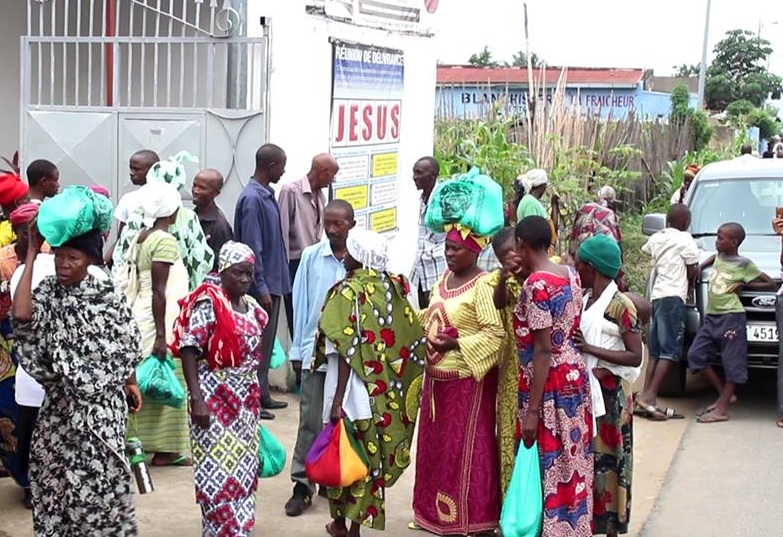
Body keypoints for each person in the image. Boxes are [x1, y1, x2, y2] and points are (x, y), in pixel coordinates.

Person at [12, 202, 143, 535]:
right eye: (60, 256)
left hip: (100, 412)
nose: (64, 264)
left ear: (91, 260)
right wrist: (30, 256)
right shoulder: (48, 292)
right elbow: (23, 316)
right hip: (59, 410)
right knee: (54, 486)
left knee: (102, 488)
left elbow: (125, 343)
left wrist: (131, 382)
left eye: (74, 257)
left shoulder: (106, 296)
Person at [316, 228, 424, 537]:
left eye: (349, 251)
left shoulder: (346, 293)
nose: (344, 256)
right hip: (382, 395)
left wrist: (337, 401)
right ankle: (352, 525)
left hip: (349, 392)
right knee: (369, 461)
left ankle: (343, 525)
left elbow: (344, 351)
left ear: (358, 257)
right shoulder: (395, 287)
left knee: (343, 456)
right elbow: (410, 337)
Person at [412, 223, 505, 536]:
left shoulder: (483, 285)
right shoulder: (443, 278)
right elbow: (433, 314)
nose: (448, 253)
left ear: (475, 250)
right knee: (435, 450)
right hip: (436, 381)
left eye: (456, 249)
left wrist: (456, 344)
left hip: (466, 382)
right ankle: (432, 515)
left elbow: (495, 335)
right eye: (447, 247)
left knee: (464, 450)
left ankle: (470, 519)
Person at [171, 241, 268, 537]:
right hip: (213, 401)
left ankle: (239, 528)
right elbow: (189, 348)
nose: (244, 280)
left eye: (249, 274)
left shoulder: (251, 307)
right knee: (217, 472)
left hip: (244, 405)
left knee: (243, 470)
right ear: (223, 270)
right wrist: (196, 399)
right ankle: (222, 530)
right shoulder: (209, 303)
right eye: (238, 273)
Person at [514, 215, 593, 537]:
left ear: (520, 245)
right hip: (575, 374)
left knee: (549, 461)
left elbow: (543, 349)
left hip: (549, 384)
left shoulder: (537, 285)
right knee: (571, 459)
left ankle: (552, 530)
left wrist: (532, 411)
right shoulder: (571, 274)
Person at [285, 199, 354, 517]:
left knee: (342, 419)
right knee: (310, 420)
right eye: (327, 222)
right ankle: (302, 484)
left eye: (338, 223)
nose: (331, 229)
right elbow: (300, 306)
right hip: (315, 354)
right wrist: (297, 352)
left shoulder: (360, 260)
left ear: (351, 225)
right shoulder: (313, 258)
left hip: (349, 358)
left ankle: (334, 477)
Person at [573, 234, 643, 537]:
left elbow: (634, 355)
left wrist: (591, 350)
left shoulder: (620, 305)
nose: (577, 272)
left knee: (612, 459)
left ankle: (612, 526)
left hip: (612, 397)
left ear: (592, 267)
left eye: (579, 266)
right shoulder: (587, 299)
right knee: (591, 457)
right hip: (590, 392)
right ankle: (593, 521)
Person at [126, 181, 191, 466]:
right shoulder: (164, 240)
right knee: (167, 380)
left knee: (147, 381)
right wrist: (162, 336)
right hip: (159, 319)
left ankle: (139, 444)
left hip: (144, 314)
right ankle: (166, 449)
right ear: (172, 210)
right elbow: (158, 289)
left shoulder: (142, 235)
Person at [688, 223, 775, 423]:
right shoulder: (719, 256)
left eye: (721, 238)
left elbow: (769, 282)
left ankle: (722, 409)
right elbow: (712, 258)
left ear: (734, 242)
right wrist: (701, 267)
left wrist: (743, 284)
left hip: (731, 317)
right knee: (696, 355)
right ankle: (724, 395)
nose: (717, 241)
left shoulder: (743, 264)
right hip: (712, 317)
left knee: (732, 364)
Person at [234, 143, 290, 419]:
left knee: (266, 346)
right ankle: (254, 399)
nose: (283, 171)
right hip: (262, 287)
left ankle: (264, 394)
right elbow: (252, 247)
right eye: (281, 166)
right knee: (257, 345)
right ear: (271, 166)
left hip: (275, 282)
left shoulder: (266, 195)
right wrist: (261, 286)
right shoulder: (252, 199)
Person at [112, 152, 213, 290]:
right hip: (179, 293)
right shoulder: (188, 218)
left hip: (140, 293)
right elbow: (200, 260)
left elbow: (121, 255)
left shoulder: (138, 214)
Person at [636, 204, 699, 420]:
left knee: (655, 351)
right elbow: (692, 269)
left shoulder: (657, 238)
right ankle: (650, 397)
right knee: (671, 352)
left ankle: (646, 395)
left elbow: (647, 249)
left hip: (658, 296)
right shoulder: (685, 239)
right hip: (674, 297)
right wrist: (693, 274)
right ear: (685, 223)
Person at [0, 203, 42, 507]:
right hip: (5, 346)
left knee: (35, 417)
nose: (33, 237)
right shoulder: (3, 261)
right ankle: (21, 476)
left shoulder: (55, 260)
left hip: (36, 350)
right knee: (10, 413)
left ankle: (32, 482)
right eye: (26, 231)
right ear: (15, 232)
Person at [484, 227, 528, 497]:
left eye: (514, 251)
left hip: (544, 371)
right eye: (504, 257)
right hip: (513, 370)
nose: (511, 259)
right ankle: (510, 507)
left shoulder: (547, 272)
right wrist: (503, 278)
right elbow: (499, 303)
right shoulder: (504, 282)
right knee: (509, 438)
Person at [279, 153, 339, 338]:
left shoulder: (320, 196)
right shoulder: (290, 191)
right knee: (296, 316)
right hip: (294, 263)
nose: (333, 180)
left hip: (313, 264)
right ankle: (298, 359)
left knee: (313, 314)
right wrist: (284, 274)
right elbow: (282, 233)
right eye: (332, 175)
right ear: (322, 172)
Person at [410, 156, 446, 308]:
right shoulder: (424, 197)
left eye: (419, 173)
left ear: (432, 176)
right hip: (422, 265)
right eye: (414, 172)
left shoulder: (443, 198)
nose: (414, 177)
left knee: (437, 313)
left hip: (438, 265)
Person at [192, 168, 233, 271]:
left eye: (202, 188)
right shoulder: (192, 215)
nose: (195, 191)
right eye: (194, 185)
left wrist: (201, 248)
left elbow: (222, 263)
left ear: (216, 193)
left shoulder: (219, 225)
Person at [569, 186, 623, 257]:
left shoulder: (584, 207)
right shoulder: (611, 215)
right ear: (612, 200)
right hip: (600, 257)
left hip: (580, 253)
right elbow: (617, 240)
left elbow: (574, 232)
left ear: (598, 196)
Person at [0, 173, 32, 248]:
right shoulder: (10, 231)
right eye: (27, 200)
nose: (30, 204)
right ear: (18, 203)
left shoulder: (4, 224)